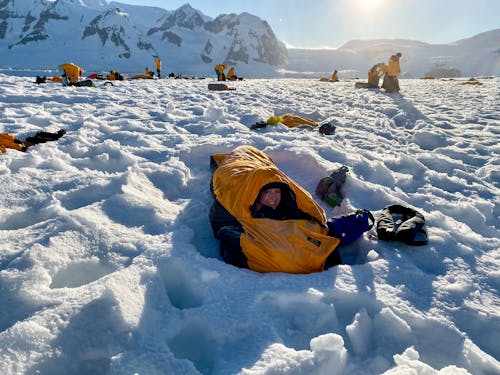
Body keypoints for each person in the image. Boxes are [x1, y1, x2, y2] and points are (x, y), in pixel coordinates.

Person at [209, 145, 342, 273]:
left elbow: (308, 212)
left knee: (268, 174)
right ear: (256, 194)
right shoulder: (235, 201)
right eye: (267, 193)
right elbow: (223, 229)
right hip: (235, 170)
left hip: (257, 162)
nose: (273, 198)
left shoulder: (286, 201)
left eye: (277, 192)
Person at [250, 114, 336, 135]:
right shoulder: (285, 118)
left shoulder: (286, 118)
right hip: (290, 119)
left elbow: (302, 121)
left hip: (289, 118)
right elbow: (302, 123)